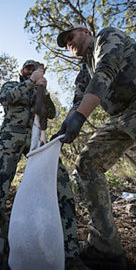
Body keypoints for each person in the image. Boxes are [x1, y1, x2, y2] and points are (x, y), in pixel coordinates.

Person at [0, 59, 87, 270]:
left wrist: (42, 88)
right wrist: (31, 81)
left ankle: (69, 253)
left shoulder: (40, 90)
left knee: (62, 186)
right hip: (10, 137)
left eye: (37, 68)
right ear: (21, 71)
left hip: (38, 139)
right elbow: (5, 98)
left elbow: (51, 113)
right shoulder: (12, 85)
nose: (33, 71)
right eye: (29, 68)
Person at [55, 24, 136, 269]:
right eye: (65, 42)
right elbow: (78, 99)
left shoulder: (106, 36)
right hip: (120, 117)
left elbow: (106, 69)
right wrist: (64, 128)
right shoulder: (83, 70)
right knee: (87, 163)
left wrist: (80, 117)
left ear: (85, 32)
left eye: (71, 36)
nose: (69, 42)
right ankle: (105, 247)